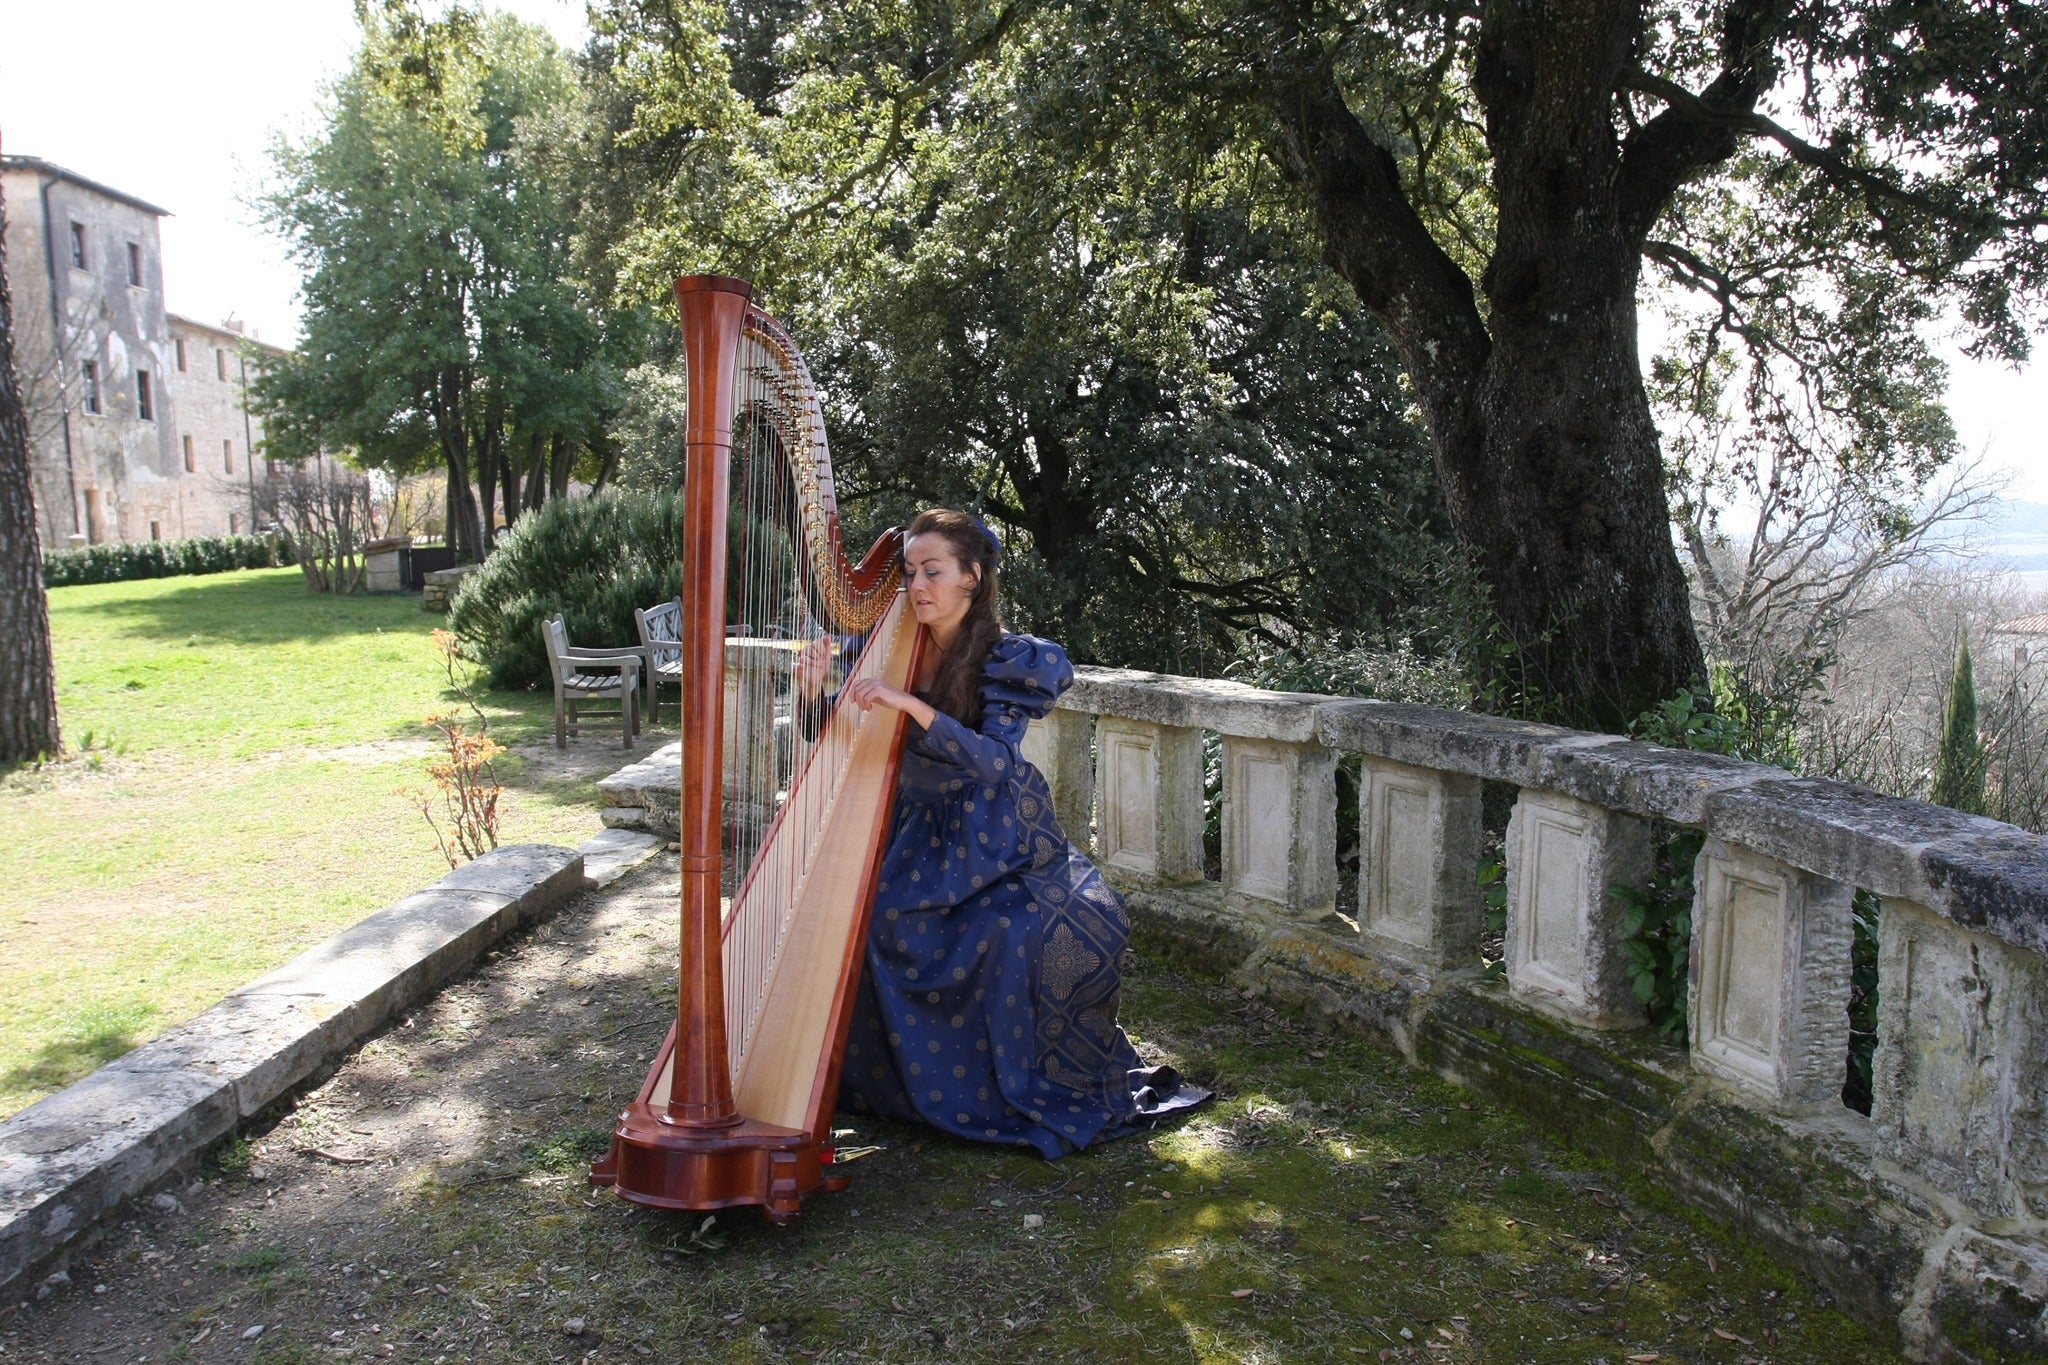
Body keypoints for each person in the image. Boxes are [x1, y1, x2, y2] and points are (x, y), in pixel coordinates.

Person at [801, 507, 1207, 1157]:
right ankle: (901, 1088)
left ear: (972, 575)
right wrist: (807, 693)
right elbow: (827, 735)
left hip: (995, 831)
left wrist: (910, 705)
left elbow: (995, 762)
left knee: (1005, 932)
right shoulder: (884, 646)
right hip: (917, 828)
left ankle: (988, 1088)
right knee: (876, 920)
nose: (918, 586)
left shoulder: (1008, 657)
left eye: (934, 570)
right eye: (908, 573)